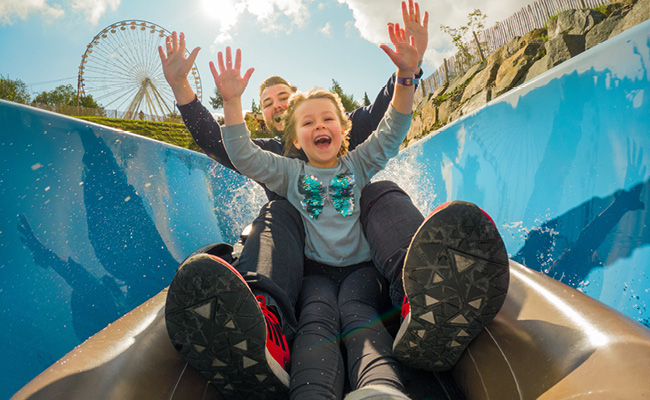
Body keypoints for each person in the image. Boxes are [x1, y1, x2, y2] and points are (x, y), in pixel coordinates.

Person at [211, 18, 419, 398]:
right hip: (314, 275)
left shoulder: (357, 164)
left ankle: (380, 387)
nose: (319, 125)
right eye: (308, 122)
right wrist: (231, 102)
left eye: (328, 119)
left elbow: (392, 129)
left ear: (343, 130)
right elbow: (243, 155)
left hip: (361, 270)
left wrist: (406, 76)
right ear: (294, 137)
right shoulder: (289, 172)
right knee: (316, 318)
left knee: (358, 313)